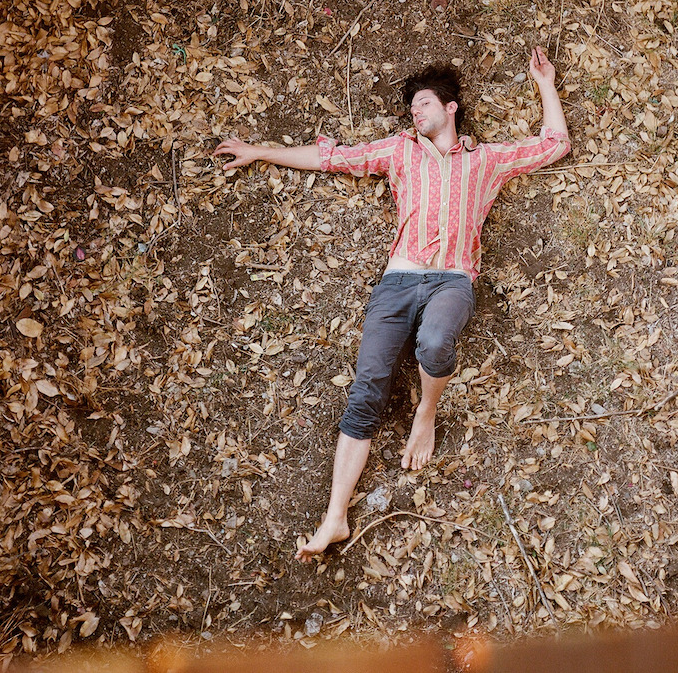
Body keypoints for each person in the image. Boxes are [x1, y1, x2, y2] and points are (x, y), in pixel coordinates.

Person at [213, 47, 570, 560]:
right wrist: (260, 151)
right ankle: (334, 519)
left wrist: (545, 84)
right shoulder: (399, 152)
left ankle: (426, 413)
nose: (415, 113)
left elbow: (555, 143)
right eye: (412, 109)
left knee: (435, 339)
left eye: (424, 104)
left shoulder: (484, 160)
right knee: (366, 392)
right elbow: (331, 157)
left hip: (452, 280)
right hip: (398, 281)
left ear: (451, 108)